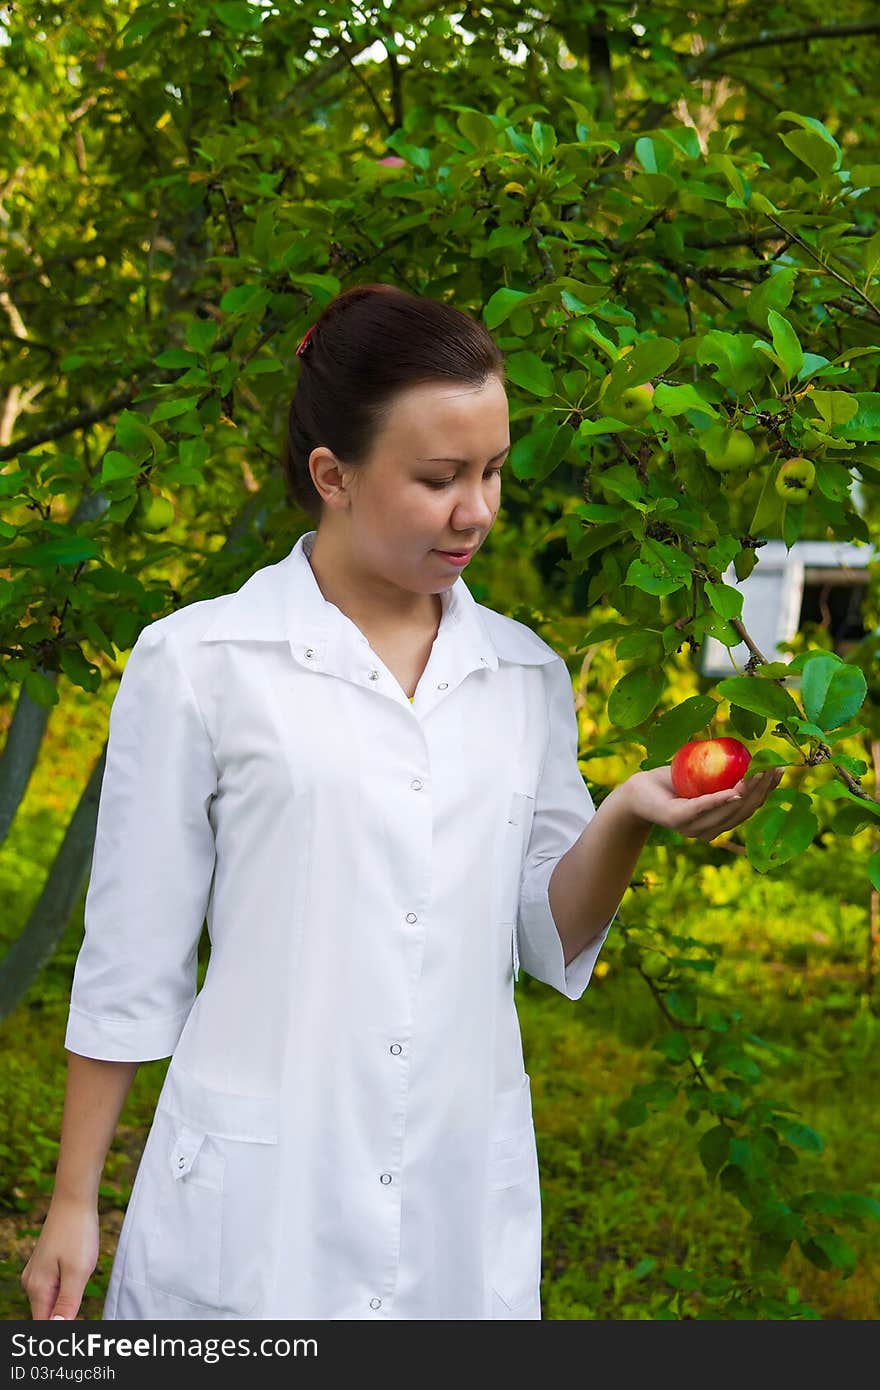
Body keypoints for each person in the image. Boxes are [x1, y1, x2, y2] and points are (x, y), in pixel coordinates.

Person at [21, 283, 783, 1322]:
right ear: (332, 475)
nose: (476, 509)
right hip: (258, 1207)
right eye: (438, 478)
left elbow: (541, 937)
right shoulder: (201, 662)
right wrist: (73, 1202)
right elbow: (129, 959)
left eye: (492, 471)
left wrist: (624, 816)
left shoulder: (524, 676)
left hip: (454, 1200)